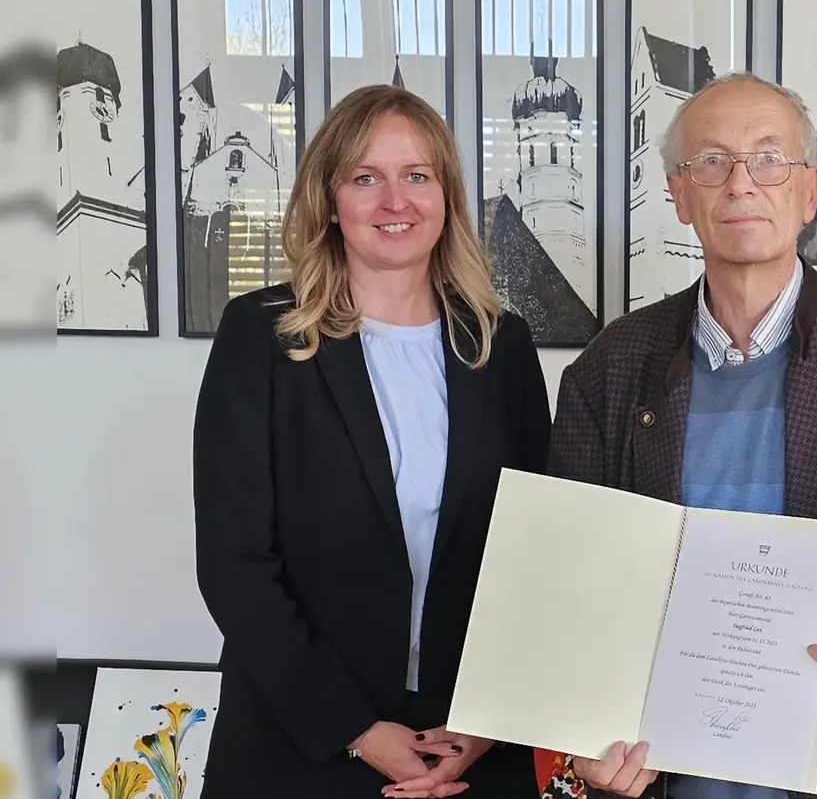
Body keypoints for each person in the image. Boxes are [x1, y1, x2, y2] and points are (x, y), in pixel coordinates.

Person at [549, 72, 817, 799]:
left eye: (769, 159)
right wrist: (584, 730)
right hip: (660, 774)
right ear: (678, 194)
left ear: (808, 193)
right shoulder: (608, 370)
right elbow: (571, 578)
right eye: (712, 162)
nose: (741, 183)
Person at [192, 85, 552, 799]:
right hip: (301, 747)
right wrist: (355, 729)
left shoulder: (499, 345)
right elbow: (234, 565)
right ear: (329, 199)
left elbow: (537, 549)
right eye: (366, 178)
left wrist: (489, 721)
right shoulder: (261, 337)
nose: (396, 201)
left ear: (446, 195)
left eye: (417, 176)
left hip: (468, 751)